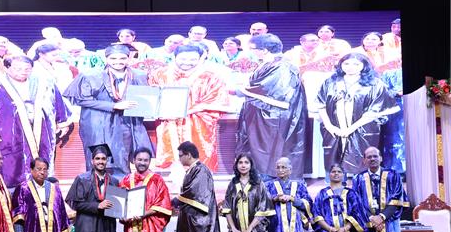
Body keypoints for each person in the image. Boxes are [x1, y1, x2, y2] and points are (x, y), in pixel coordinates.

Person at [0, 55, 69, 189]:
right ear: (7, 68)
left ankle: (41, 191)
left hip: (41, 131)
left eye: (27, 69)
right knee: (12, 163)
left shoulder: (46, 82)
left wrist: (62, 122)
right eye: (18, 69)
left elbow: (58, 102)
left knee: (43, 159)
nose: (23, 72)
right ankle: (13, 192)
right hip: (9, 132)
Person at [63, 44, 154, 178]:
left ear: (128, 58)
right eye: (113, 58)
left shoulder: (138, 75)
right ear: (106, 59)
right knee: (100, 159)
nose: (118, 62)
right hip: (98, 123)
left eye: (122, 58)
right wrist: (113, 106)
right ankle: (97, 189)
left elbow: (145, 98)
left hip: (126, 123)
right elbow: (81, 100)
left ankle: (121, 189)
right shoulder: (91, 76)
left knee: (122, 157)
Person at [149, 44, 231, 172]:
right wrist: (159, 110)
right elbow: (152, 96)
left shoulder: (210, 76)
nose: (187, 62)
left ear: (200, 59)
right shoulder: (160, 74)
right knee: (170, 156)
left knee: (198, 157)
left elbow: (217, 99)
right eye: (183, 59)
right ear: (174, 57)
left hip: (196, 122)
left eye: (193, 59)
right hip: (168, 120)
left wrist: (189, 110)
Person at [314, 52, 399, 175]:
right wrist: (329, 126)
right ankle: (335, 184)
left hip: (363, 128)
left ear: (364, 65)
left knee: (362, 160)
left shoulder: (375, 84)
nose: (350, 67)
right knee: (333, 161)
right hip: (334, 129)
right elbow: (320, 104)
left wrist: (350, 129)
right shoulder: (330, 82)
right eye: (346, 63)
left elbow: (374, 111)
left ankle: (363, 184)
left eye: (356, 64)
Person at [235, 33, 307, 177]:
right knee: (260, 151)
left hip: (274, 117)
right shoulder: (270, 63)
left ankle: (271, 181)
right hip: (262, 115)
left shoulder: (282, 66)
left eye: (253, 49)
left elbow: (272, 91)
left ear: (264, 50)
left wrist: (239, 90)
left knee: (272, 151)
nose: (252, 52)